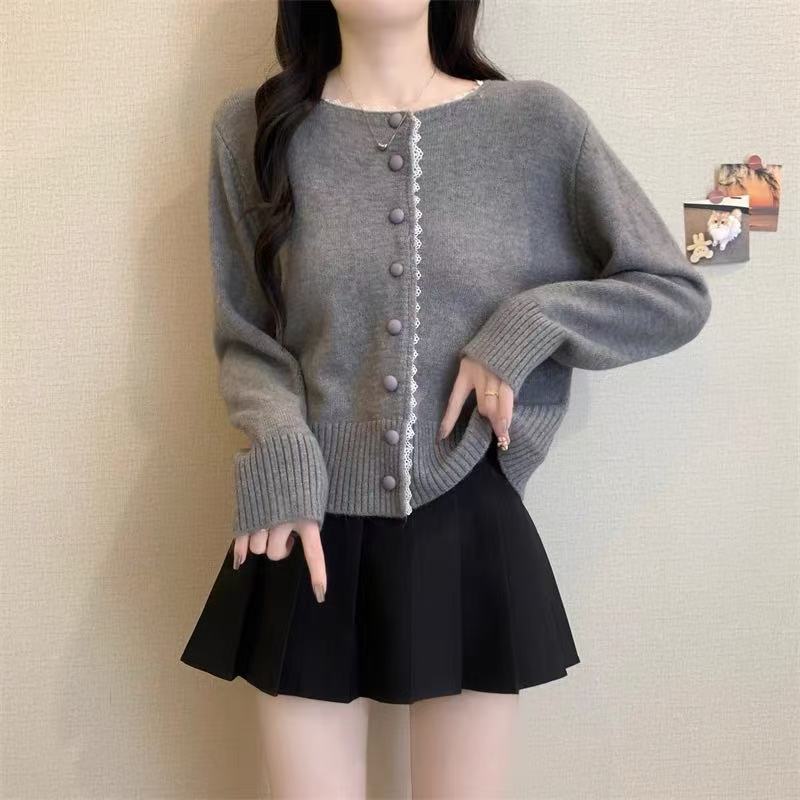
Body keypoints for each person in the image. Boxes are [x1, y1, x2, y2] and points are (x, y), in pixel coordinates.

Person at [180, 1, 712, 796]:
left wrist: (527, 323)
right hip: (302, 514)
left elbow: (671, 291)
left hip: (466, 515)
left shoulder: (538, 126)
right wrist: (282, 447)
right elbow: (246, 334)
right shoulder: (253, 130)